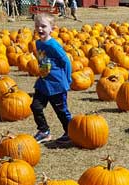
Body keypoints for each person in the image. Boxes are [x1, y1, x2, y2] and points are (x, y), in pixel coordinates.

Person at [31, 13, 74, 143]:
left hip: (57, 84)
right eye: (37, 26)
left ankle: (70, 132)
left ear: (52, 28)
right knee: (35, 106)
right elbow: (43, 60)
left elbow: (65, 61)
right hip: (43, 83)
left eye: (43, 26)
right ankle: (44, 131)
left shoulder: (54, 45)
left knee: (61, 111)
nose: (40, 29)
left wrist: (67, 79)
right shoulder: (38, 43)